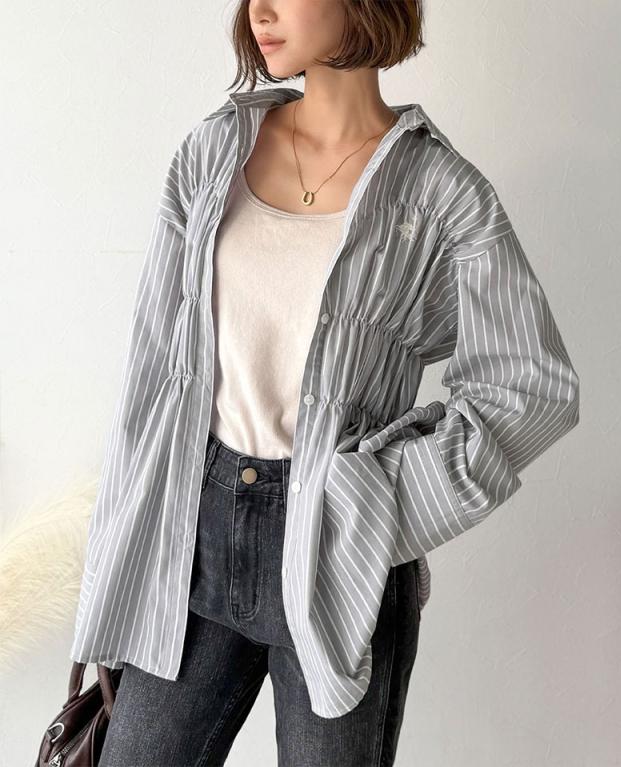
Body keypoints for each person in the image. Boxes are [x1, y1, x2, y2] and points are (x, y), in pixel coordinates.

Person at [69, 1, 580, 765]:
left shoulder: (441, 195)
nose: (260, 10)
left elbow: (530, 387)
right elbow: (151, 376)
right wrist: (116, 565)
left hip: (341, 561)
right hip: (191, 539)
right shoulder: (214, 152)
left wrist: (378, 499)